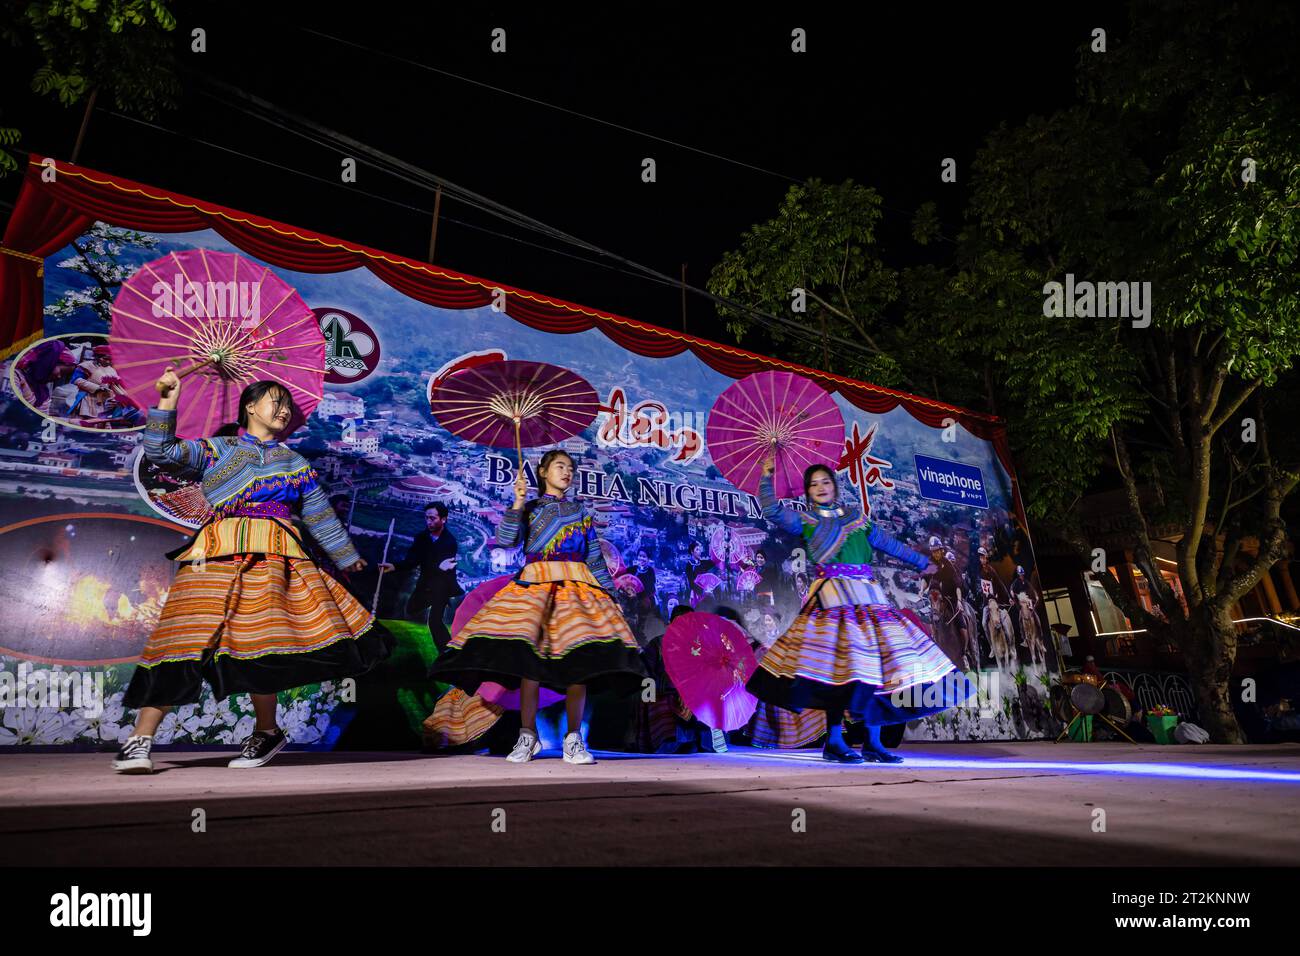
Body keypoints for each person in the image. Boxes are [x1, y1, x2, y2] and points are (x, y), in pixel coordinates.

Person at [111, 372, 393, 774]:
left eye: (287, 405)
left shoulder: (295, 463)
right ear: (250, 406)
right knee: (181, 640)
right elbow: (161, 451)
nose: (283, 410)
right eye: (275, 401)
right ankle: (140, 740)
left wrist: (347, 557)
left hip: (274, 553)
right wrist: (168, 400)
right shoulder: (216, 449)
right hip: (215, 551)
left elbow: (317, 514)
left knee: (259, 642)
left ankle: (266, 731)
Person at [745, 454, 972, 763]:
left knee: (879, 670)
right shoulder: (807, 521)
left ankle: (873, 743)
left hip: (869, 597)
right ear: (808, 493)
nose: (821, 487)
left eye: (825, 482)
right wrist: (767, 472)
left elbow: (888, 544)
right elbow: (771, 510)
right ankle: (835, 742)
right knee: (842, 671)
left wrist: (922, 562)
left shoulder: (857, 518)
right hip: (833, 600)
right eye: (814, 485)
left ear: (834, 486)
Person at [429, 449, 647, 764]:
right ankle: (527, 736)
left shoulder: (581, 512)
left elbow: (595, 559)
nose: (567, 472)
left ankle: (574, 739)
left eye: (571, 468)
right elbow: (505, 540)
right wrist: (517, 502)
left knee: (578, 664)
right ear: (543, 472)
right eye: (560, 466)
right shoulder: (529, 508)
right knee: (529, 665)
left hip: (577, 589)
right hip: (534, 587)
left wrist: (610, 596)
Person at [380, 501, 464, 652]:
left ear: (443, 519)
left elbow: (443, 568)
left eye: (433, 518)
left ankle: (448, 651)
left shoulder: (449, 541)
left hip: (442, 585)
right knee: (411, 609)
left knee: (434, 621)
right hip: (426, 583)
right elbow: (413, 560)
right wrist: (395, 566)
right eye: (427, 518)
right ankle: (431, 601)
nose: (429, 522)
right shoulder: (421, 538)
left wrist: (439, 567)